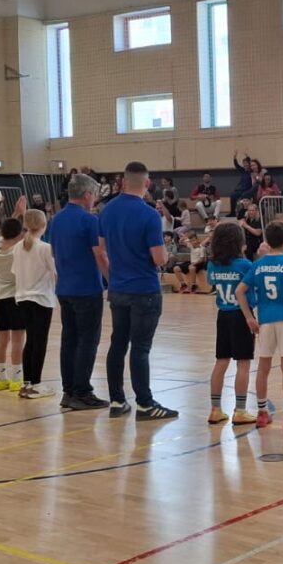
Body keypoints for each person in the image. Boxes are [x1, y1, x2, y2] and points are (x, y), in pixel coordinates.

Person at [99, 161, 177, 421]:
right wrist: (166, 254)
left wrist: (112, 278)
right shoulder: (149, 215)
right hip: (144, 289)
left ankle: (116, 400)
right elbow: (158, 258)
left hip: (118, 288)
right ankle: (144, 403)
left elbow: (101, 249)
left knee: (117, 344)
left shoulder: (107, 210)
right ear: (147, 183)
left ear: (123, 182)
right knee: (141, 348)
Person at [46, 173, 108, 412]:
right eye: (95, 195)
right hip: (86, 289)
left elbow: (54, 252)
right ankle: (82, 391)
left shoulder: (57, 219)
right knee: (87, 341)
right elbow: (99, 254)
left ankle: (69, 391)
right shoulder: (90, 220)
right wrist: (112, 281)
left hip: (64, 288)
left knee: (69, 340)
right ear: (87, 195)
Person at [236, 220, 283, 430]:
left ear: (267, 240)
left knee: (263, 366)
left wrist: (248, 317)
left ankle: (262, 413)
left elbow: (239, 291)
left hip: (265, 319)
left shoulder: (257, 265)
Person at [206, 221, 256, 425]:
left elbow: (211, 282)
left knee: (221, 362)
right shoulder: (245, 265)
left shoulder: (212, 264)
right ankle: (240, 410)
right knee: (243, 363)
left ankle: (215, 409)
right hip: (241, 315)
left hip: (223, 315)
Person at [13, 208, 57, 399]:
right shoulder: (45, 248)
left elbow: (16, 271)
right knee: (39, 342)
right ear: (43, 225)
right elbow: (55, 273)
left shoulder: (18, 247)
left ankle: (27, 383)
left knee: (31, 341)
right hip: (41, 299)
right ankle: (36, 384)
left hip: (22, 298)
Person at [0, 210, 26, 393]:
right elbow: (28, 238)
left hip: (0, 299)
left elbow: (6, 233)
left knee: (2, 339)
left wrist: (16, 213)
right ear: (19, 233)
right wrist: (22, 213)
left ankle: (1, 379)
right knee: (18, 340)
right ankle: (17, 379)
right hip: (16, 298)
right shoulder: (17, 251)